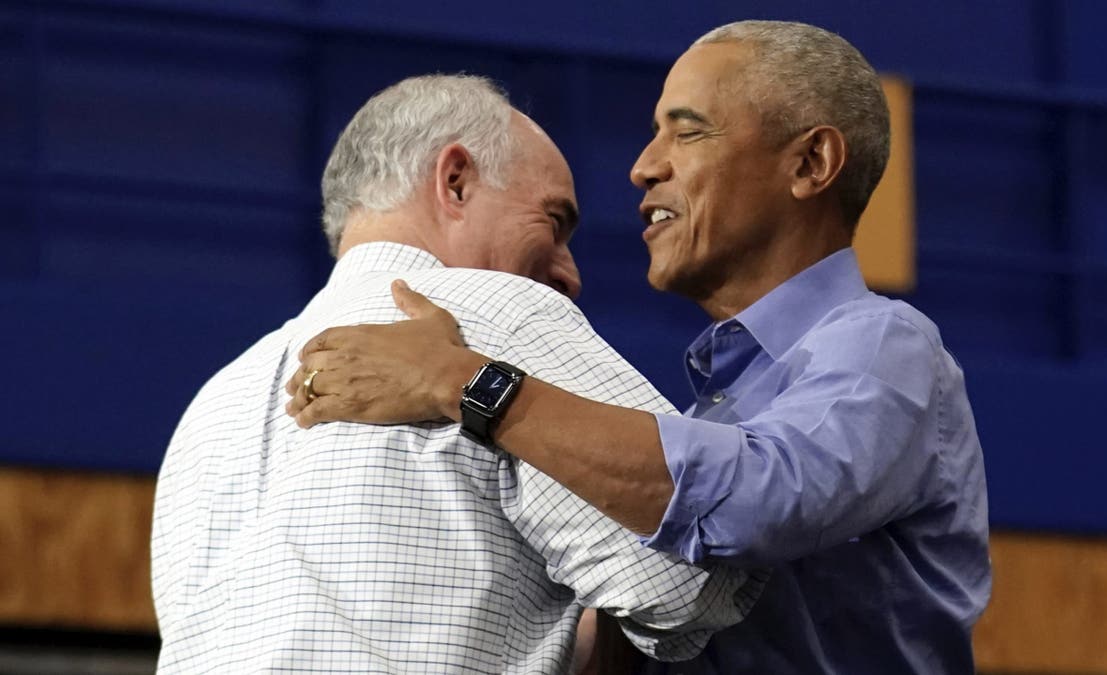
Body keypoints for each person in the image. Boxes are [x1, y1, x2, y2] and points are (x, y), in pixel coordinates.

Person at [286, 21, 991, 674]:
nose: (642, 166)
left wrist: (467, 383)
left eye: (687, 134)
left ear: (810, 162)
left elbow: (757, 501)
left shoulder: (888, 347)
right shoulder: (702, 419)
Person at [151, 74, 760, 675]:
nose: (570, 275)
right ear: (456, 181)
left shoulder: (215, 402)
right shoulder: (499, 313)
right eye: (553, 221)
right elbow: (690, 579)